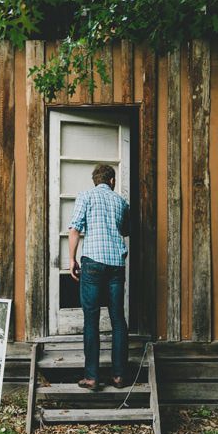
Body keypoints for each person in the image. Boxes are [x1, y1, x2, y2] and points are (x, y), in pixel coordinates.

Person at [68, 164, 130, 391]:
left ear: (95, 180)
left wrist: (72, 259)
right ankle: (119, 377)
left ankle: (92, 378)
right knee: (118, 319)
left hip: (92, 262)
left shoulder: (85, 196)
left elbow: (75, 229)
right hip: (116, 264)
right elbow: (125, 230)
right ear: (112, 181)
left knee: (91, 319)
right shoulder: (121, 202)